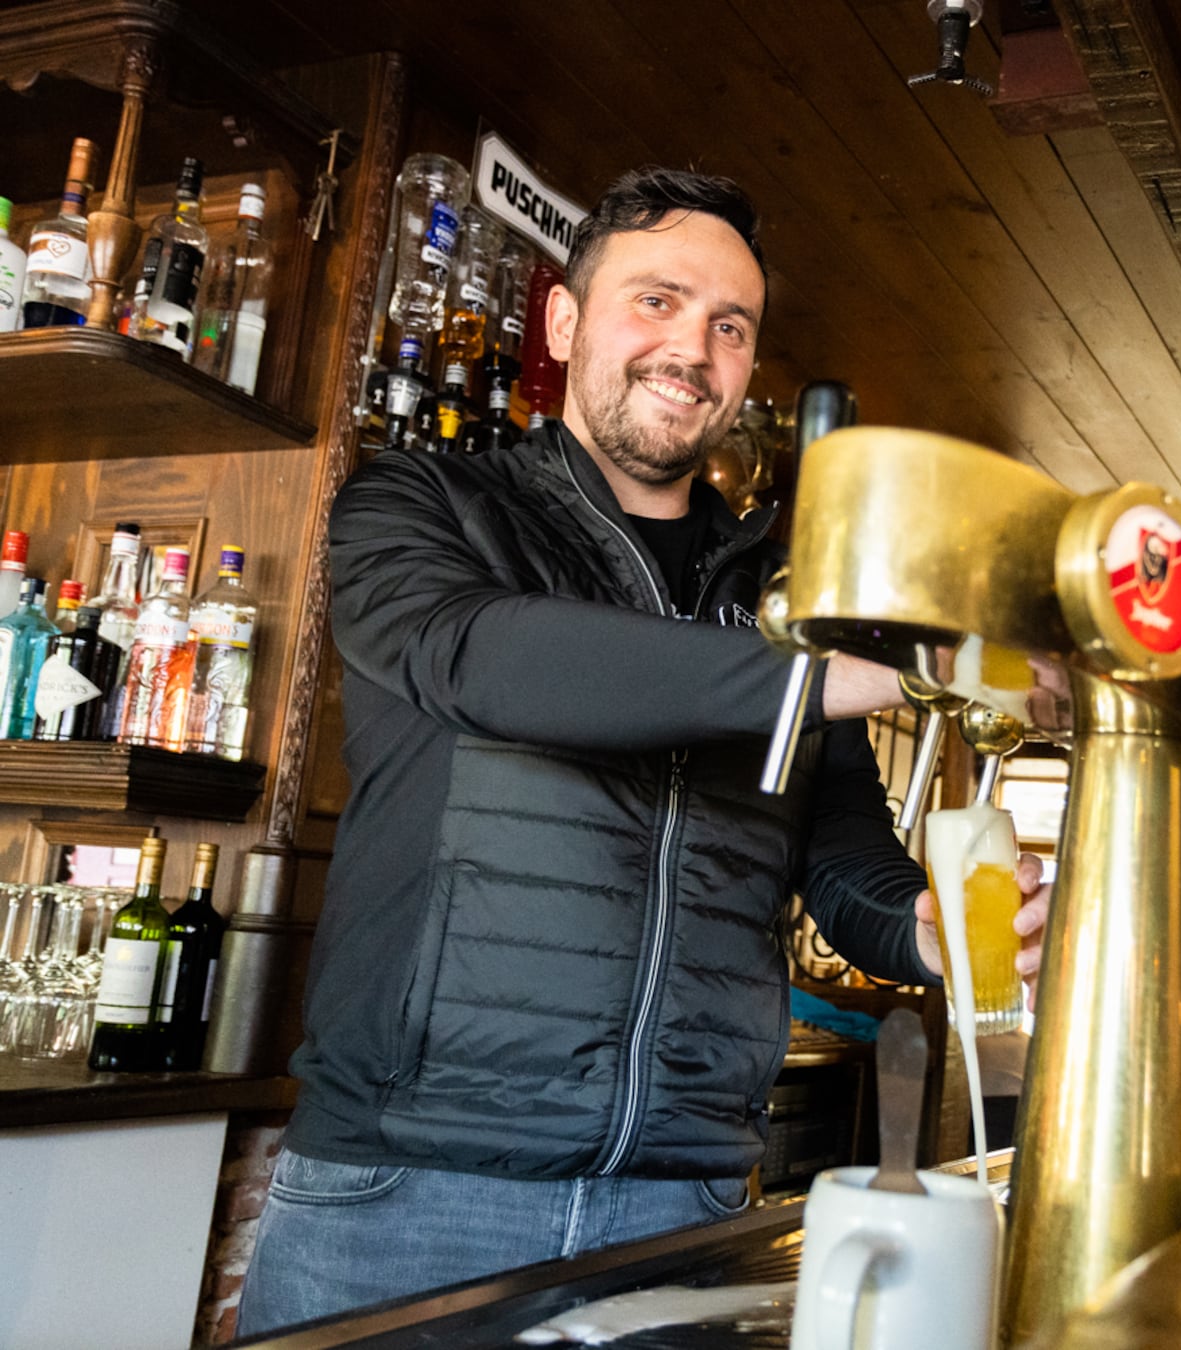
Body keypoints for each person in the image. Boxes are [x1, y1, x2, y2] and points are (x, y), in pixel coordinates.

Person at [237, 167, 1051, 1335]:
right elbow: (490, 660)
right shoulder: (421, 507)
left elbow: (845, 856)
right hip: (415, 1191)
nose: (694, 349)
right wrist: (855, 670)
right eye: (657, 302)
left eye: (730, 326)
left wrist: (922, 925)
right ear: (564, 322)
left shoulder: (787, 600)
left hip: (689, 1197)